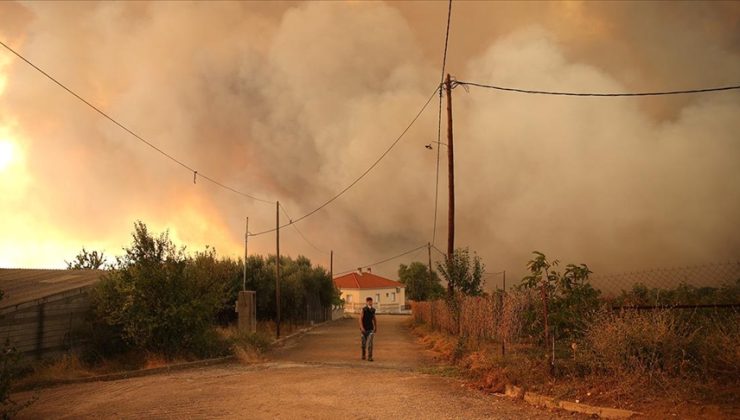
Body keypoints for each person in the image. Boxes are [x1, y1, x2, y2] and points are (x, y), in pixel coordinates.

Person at [359, 296, 377, 361]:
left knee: (370, 343)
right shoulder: (363, 309)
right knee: (363, 344)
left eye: (371, 301)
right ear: (366, 302)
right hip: (364, 329)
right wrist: (361, 327)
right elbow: (360, 319)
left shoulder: (373, 310)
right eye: (369, 301)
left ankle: (370, 357)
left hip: (370, 329)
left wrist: (375, 327)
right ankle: (363, 355)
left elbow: (374, 319)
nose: (370, 303)